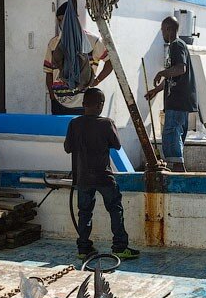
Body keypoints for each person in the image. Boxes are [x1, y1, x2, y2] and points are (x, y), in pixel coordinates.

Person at [64, 88, 139, 261]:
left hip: (82, 177)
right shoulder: (107, 123)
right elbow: (117, 145)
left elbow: (68, 148)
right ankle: (120, 247)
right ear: (101, 105)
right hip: (104, 177)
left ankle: (84, 248)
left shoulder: (74, 124)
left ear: (83, 105)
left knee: (84, 212)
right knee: (115, 209)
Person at [144, 16, 196, 172]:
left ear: (168, 29)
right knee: (176, 134)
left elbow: (181, 69)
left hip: (177, 100)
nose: (161, 33)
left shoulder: (176, 45)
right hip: (181, 100)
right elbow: (174, 76)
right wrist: (156, 90)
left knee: (171, 132)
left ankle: (178, 170)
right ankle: (178, 169)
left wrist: (161, 72)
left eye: (162, 29)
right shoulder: (179, 46)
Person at [43, 2, 113, 115]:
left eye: (64, 19)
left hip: (84, 103)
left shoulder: (92, 40)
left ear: (73, 19)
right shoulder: (54, 43)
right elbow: (49, 72)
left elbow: (110, 62)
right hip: (60, 102)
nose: (62, 23)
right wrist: (52, 97)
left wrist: (96, 81)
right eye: (59, 20)